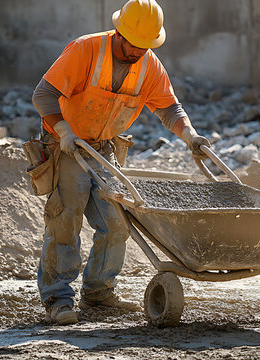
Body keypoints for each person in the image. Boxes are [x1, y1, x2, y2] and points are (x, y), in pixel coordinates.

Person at [32, 0, 209, 325]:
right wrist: (63, 131)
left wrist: (191, 137)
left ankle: (99, 293)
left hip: (103, 149)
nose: (138, 51)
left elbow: (168, 109)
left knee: (117, 224)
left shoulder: (149, 65)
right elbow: (43, 95)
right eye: (134, 44)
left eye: (146, 46)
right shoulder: (85, 50)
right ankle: (58, 299)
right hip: (67, 146)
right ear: (119, 32)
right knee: (65, 221)